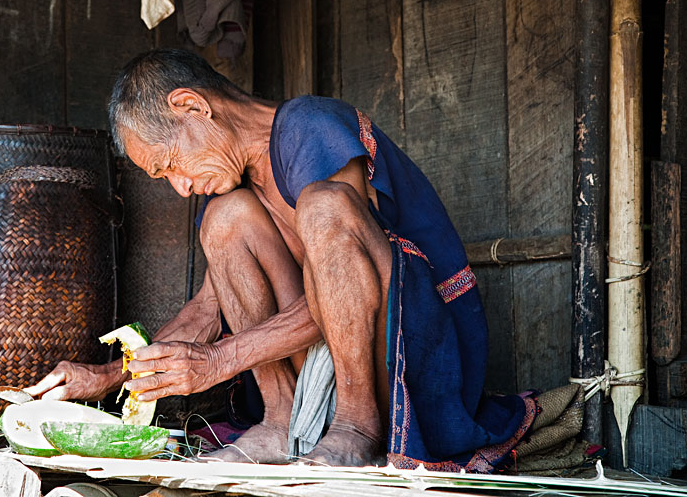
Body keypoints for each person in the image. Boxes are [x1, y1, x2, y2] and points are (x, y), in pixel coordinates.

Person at [26, 48, 536, 469]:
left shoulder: (307, 125)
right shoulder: (229, 189)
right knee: (224, 218)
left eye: (171, 166)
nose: (181, 188)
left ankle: (358, 425)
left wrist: (221, 361)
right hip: (320, 366)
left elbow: (345, 281)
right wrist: (110, 375)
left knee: (324, 205)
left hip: (413, 361)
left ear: (191, 106)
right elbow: (208, 312)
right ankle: (280, 418)